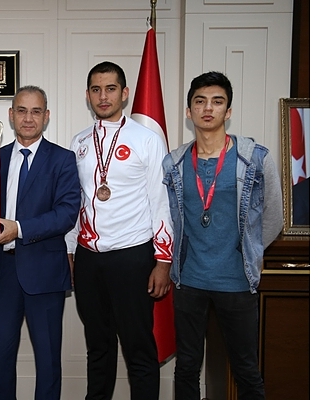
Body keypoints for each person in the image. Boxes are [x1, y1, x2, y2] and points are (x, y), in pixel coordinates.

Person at [162, 71, 283, 399]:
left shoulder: (255, 158)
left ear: (228, 111)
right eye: (200, 101)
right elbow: (168, 219)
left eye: (217, 102)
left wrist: (251, 251)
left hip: (237, 281)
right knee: (187, 367)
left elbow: (274, 217)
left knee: (246, 368)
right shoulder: (174, 163)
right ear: (189, 111)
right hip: (189, 281)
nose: (208, 108)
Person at [65, 61, 173, 400]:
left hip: (132, 257)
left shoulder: (147, 139)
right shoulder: (79, 141)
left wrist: (163, 261)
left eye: (110, 89)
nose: (103, 96)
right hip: (89, 258)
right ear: (87, 95)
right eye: (96, 90)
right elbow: (76, 201)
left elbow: (161, 201)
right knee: (98, 347)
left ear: (124, 93)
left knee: (138, 348)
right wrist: (70, 250)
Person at [0, 86, 80, 400]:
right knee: (0, 360)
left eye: (35, 111)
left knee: (48, 361)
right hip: (2, 273)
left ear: (46, 116)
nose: (28, 118)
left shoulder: (63, 160)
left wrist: (20, 229)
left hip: (45, 273)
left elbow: (66, 213)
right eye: (22, 111)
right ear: (11, 115)